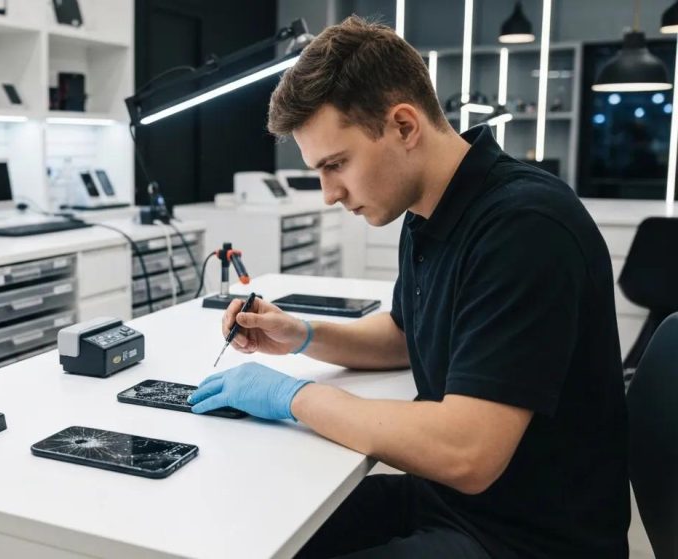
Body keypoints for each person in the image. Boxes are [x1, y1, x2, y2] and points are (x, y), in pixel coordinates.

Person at [187, 16, 629, 559]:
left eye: (336, 164)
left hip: (525, 537)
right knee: (251, 528)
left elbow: (467, 452)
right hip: (449, 503)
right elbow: (404, 335)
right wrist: (300, 334)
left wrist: (291, 396)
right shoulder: (429, 209)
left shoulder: (524, 227)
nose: (328, 194)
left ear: (403, 126)